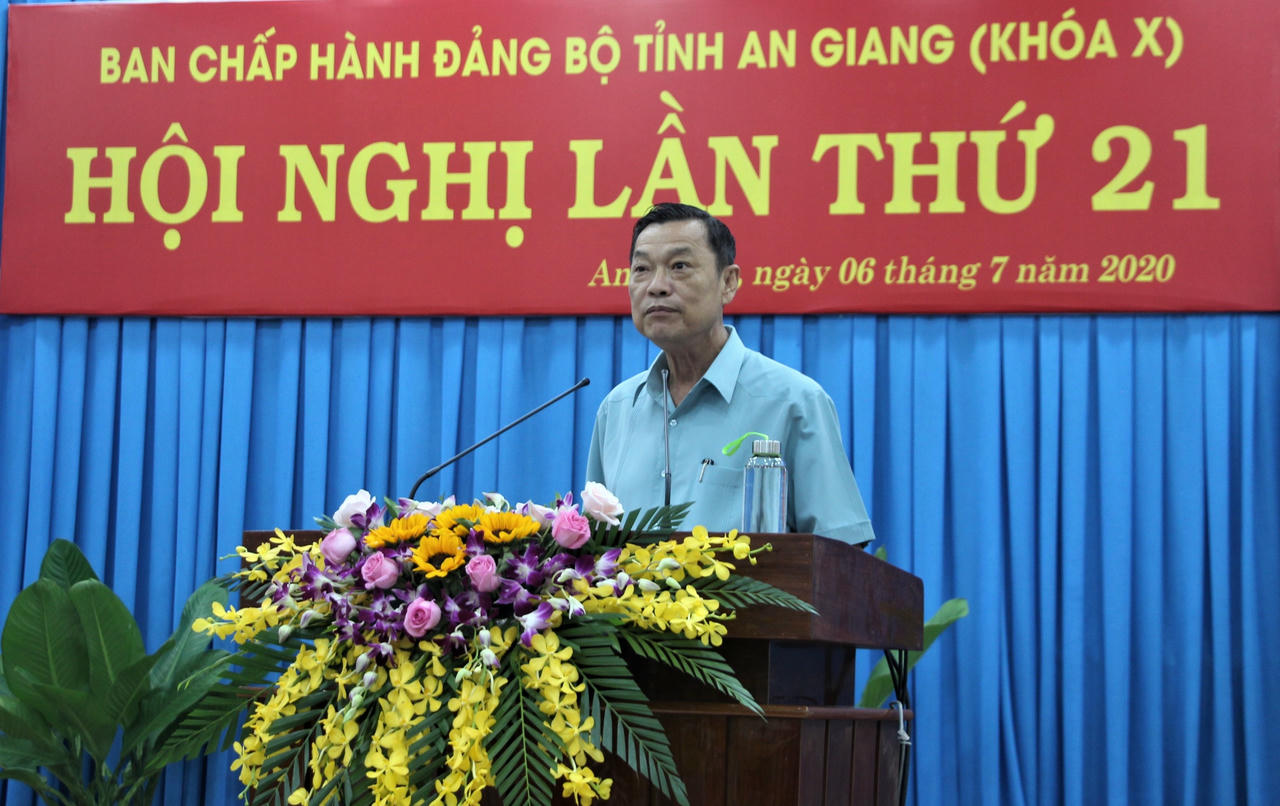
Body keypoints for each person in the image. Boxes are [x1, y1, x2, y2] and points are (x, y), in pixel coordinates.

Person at [586, 203, 875, 543]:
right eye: (642, 269)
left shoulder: (794, 403)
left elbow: (841, 552)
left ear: (728, 282)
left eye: (679, 266)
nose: (656, 286)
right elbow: (594, 554)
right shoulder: (617, 410)